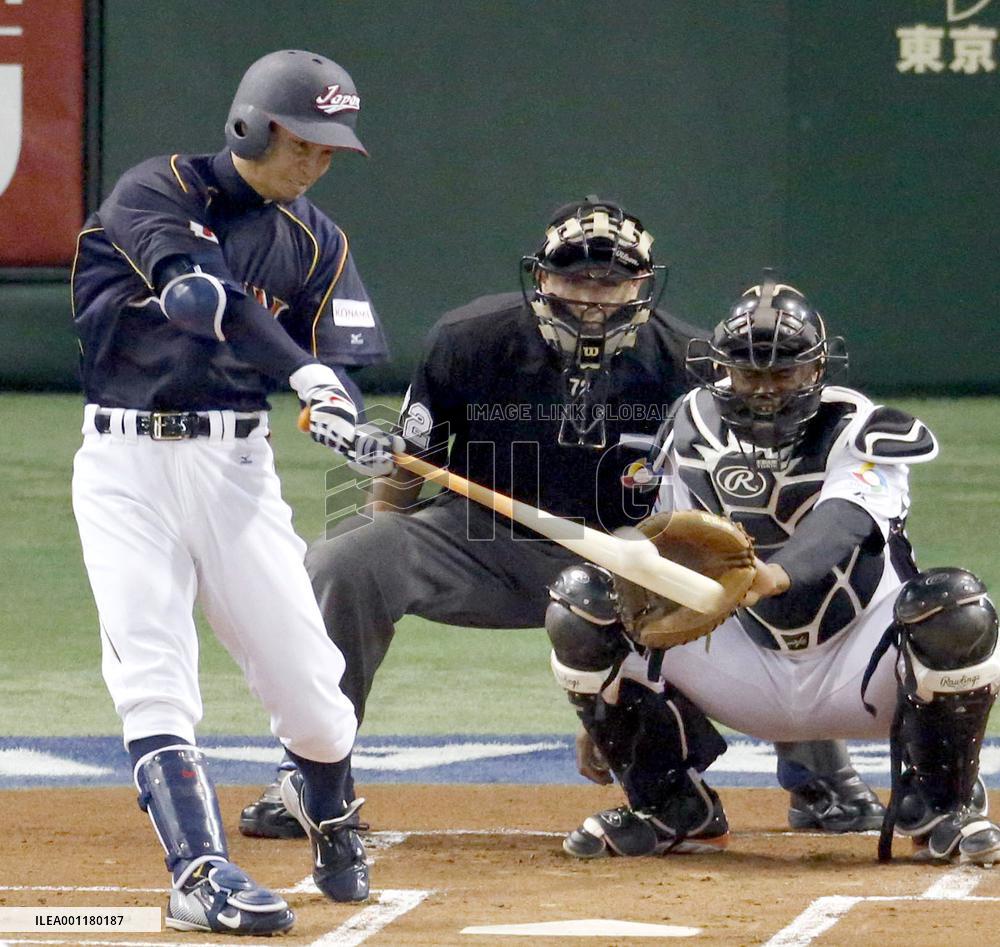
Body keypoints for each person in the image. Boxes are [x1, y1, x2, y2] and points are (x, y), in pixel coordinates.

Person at [237, 199, 880, 841]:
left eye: (612, 281)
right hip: (480, 543)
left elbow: (721, 511)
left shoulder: (689, 367)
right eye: (575, 279)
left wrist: (607, 705)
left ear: (642, 285)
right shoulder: (468, 339)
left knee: (757, 560)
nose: (592, 299)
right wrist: (379, 544)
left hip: (629, 559)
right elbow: (410, 468)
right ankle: (311, 776)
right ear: (541, 277)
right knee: (347, 558)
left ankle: (820, 776)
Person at [70, 49, 396, 935]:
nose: (317, 162)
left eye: (330, 149)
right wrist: (304, 375)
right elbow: (199, 299)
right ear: (252, 125)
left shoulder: (318, 241)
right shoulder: (157, 189)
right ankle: (197, 870)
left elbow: (338, 362)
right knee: (151, 671)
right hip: (125, 467)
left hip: (236, 470)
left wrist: (339, 406)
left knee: (312, 689)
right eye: (304, 142)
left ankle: (329, 808)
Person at [544, 274, 1000, 864]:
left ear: (817, 370)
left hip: (861, 666)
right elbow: (660, 556)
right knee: (582, 602)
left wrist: (773, 576)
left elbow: (844, 521)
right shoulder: (687, 427)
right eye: (749, 374)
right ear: (722, 369)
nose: (764, 392)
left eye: (783, 374)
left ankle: (943, 804)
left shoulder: (862, 427)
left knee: (955, 606)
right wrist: (608, 708)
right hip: (741, 665)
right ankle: (670, 807)